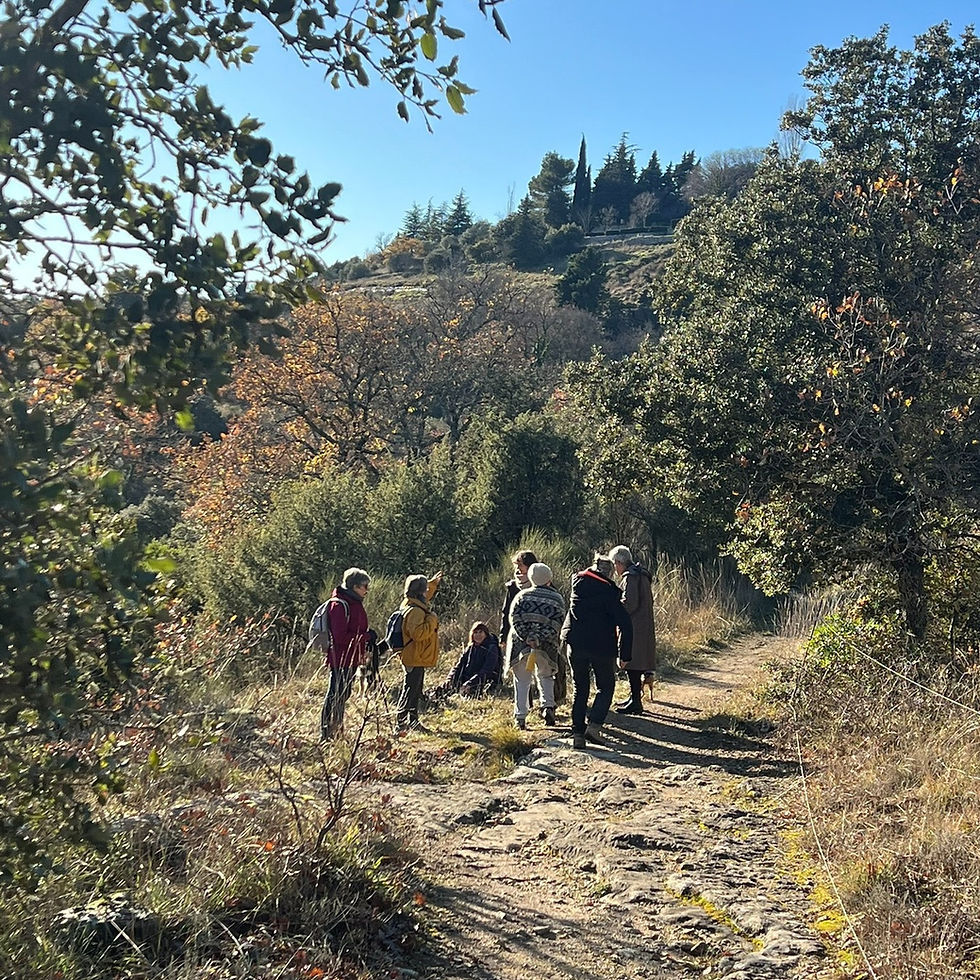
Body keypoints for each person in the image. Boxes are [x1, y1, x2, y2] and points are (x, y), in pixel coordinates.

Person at [561, 553, 632, 749]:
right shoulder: (610, 593)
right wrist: (625, 655)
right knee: (606, 687)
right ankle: (594, 726)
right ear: (609, 573)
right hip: (602, 647)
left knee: (580, 688)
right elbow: (626, 624)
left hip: (576, 644)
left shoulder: (577, 585)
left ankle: (577, 734)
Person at [507, 563, 566, 729]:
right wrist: (539, 638)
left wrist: (527, 637)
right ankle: (548, 707)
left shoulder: (521, 596)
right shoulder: (557, 599)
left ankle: (520, 717)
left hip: (522, 646)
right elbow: (557, 623)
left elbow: (514, 619)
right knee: (546, 676)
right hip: (546, 646)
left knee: (521, 680)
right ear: (549, 578)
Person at [320, 567, 373, 739]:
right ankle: (326, 733)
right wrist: (366, 637)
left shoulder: (353, 602)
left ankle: (336, 730)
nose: (367, 590)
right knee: (335, 694)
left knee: (343, 694)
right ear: (355, 586)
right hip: (340, 658)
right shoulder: (339, 605)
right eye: (365, 586)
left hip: (351, 657)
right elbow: (340, 637)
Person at [609, 545, 657, 714]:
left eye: (614, 564)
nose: (615, 568)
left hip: (634, 626)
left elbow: (629, 603)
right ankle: (634, 697)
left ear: (619, 562)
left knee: (632, 664)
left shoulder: (631, 577)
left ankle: (636, 702)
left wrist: (613, 609)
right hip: (644, 624)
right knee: (637, 663)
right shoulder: (641, 574)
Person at [395, 571, 442, 732]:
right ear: (420, 591)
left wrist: (432, 584)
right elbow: (418, 634)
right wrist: (432, 619)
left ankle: (412, 722)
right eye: (425, 588)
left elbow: (424, 599)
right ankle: (401, 724)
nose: (426, 592)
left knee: (415, 690)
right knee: (410, 690)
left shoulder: (410, 603)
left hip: (415, 655)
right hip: (414, 655)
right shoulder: (415, 611)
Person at [434, 622, 501, 698]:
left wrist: (470, 683)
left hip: (486, 681)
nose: (478, 635)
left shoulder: (492, 648)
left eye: (480, 632)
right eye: (475, 632)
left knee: (468, 693)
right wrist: (450, 679)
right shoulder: (470, 647)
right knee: (446, 688)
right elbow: (459, 665)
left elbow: (487, 670)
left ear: (486, 634)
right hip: (468, 678)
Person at [499, 549, 537, 649]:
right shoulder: (513, 587)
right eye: (516, 565)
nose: (517, 568)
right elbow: (506, 611)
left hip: (537, 636)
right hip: (516, 635)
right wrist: (503, 636)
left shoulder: (540, 583)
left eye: (520, 565)